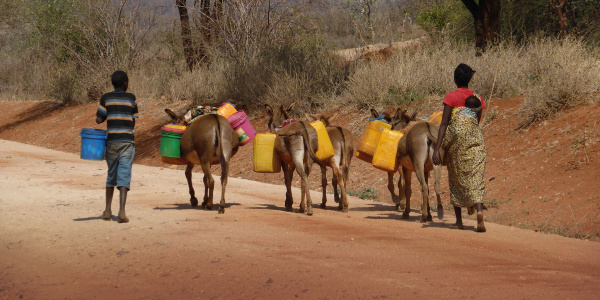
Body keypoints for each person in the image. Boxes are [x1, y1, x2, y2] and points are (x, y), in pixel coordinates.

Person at [432, 64, 487, 232]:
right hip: (476, 141)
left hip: (457, 143)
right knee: (476, 179)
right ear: (469, 79)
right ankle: (478, 211)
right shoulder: (478, 98)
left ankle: (458, 221)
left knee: (455, 178)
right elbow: (475, 122)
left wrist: (437, 149)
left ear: (455, 79)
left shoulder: (451, 97)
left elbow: (444, 124)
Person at [96, 71, 138, 223]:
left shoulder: (106, 98)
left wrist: (108, 113)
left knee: (111, 175)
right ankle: (122, 211)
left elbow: (98, 120)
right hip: (127, 142)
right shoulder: (131, 98)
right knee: (124, 175)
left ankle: (107, 210)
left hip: (112, 142)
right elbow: (133, 121)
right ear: (125, 83)